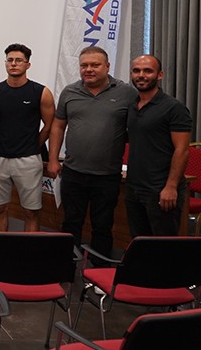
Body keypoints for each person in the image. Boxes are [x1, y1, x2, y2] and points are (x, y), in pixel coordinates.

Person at [46, 46, 137, 264]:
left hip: (107, 175)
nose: (89, 69)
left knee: (102, 226)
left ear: (107, 66)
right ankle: (65, 267)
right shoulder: (70, 92)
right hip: (73, 172)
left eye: (95, 65)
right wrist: (53, 159)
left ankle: (99, 271)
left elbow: (137, 130)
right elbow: (58, 126)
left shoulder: (127, 93)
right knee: (71, 223)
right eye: (84, 65)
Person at [0, 43, 55, 232]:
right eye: (10, 60)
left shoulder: (41, 92)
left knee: (31, 211)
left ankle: (28, 247)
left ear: (28, 64)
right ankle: (0, 246)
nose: (14, 64)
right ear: (5, 63)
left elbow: (49, 126)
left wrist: (34, 145)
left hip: (28, 160)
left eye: (19, 60)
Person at [125, 55, 192, 237]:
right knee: (138, 243)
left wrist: (171, 186)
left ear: (160, 75)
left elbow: (182, 150)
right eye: (136, 70)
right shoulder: (131, 106)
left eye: (148, 71)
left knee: (164, 247)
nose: (141, 75)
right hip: (134, 188)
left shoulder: (174, 108)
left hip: (160, 189)